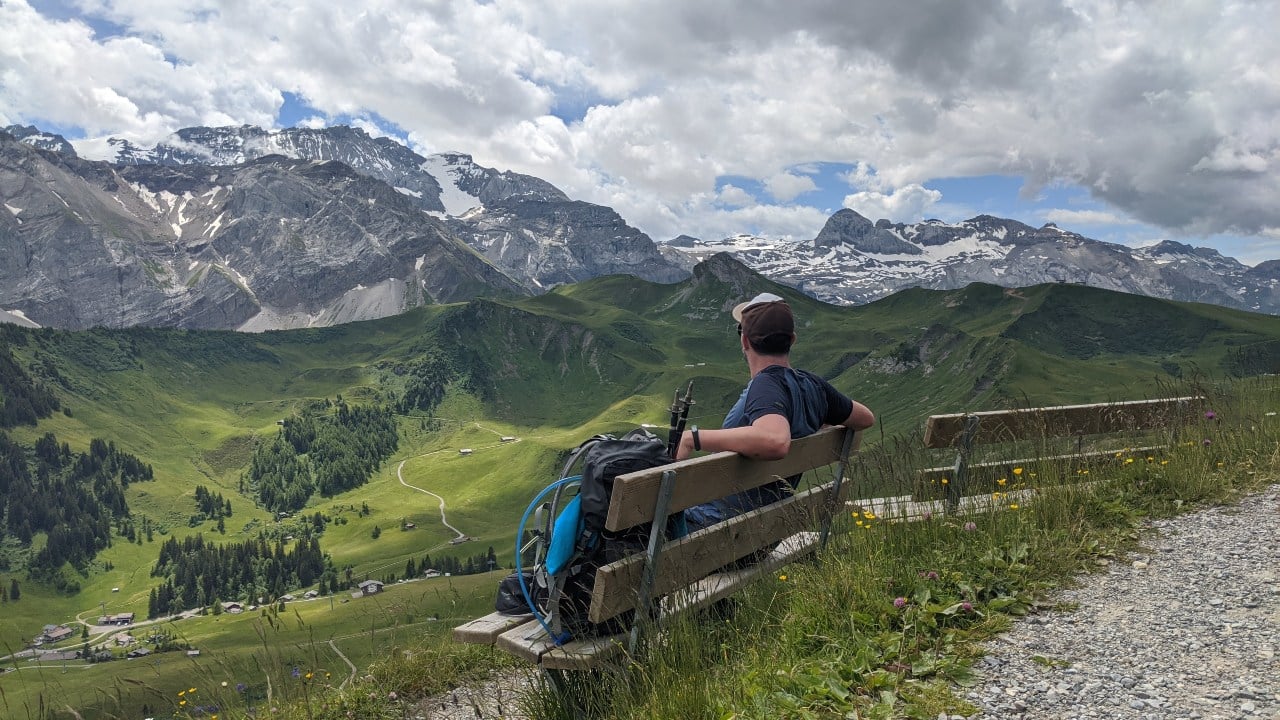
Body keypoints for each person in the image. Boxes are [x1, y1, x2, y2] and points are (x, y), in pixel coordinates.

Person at [678, 292, 875, 531]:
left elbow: (775, 442)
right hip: (766, 530)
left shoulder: (766, 386)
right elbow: (865, 417)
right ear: (792, 340)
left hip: (719, 531)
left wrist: (693, 438)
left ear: (745, 342)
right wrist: (813, 420)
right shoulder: (813, 386)